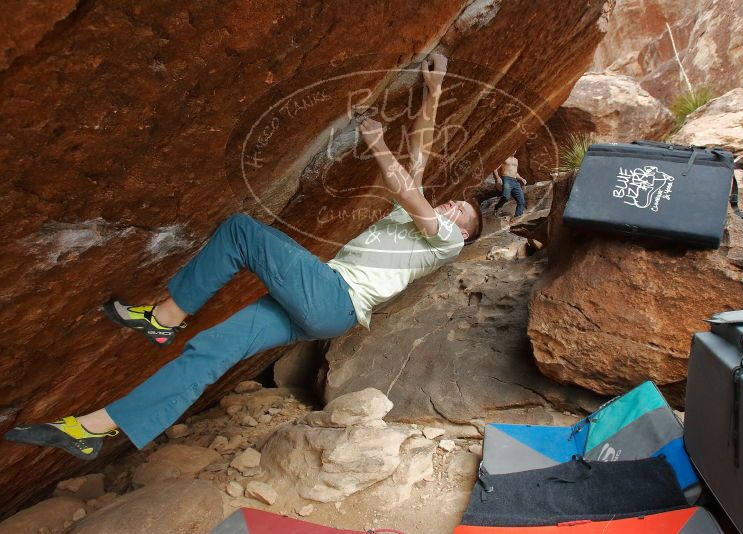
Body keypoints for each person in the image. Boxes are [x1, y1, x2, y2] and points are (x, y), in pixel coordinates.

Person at [4, 53, 482, 460]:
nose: (451, 205)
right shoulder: (421, 224)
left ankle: (164, 318)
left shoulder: (445, 240)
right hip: (322, 310)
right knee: (213, 348)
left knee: (240, 232)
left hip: (333, 296)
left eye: (460, 211)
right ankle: (93, 429)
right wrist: (433, 88)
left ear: (461, 233)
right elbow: (420, 152)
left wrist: (375, 141)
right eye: (455, 200)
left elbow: (407, 189)